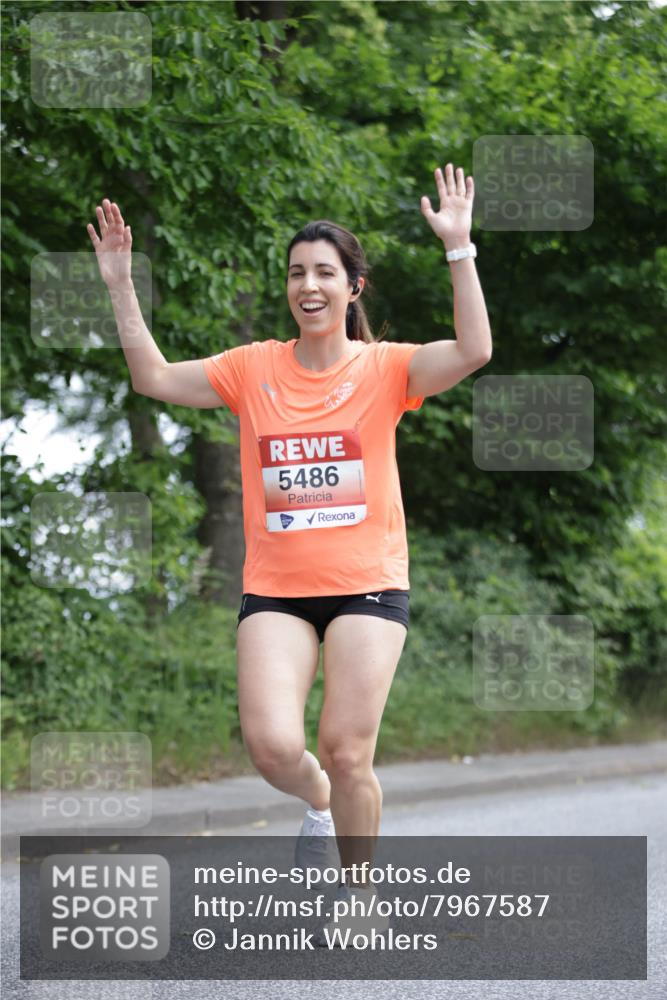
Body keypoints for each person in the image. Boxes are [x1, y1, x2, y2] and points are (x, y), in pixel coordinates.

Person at [87, 162, 492, 943]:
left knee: (346, 748)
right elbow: (153, 378)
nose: (308, 285)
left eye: (325, 273)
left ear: (353, 289)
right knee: (275, 747)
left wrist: (458, 248)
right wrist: (118, 282)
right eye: (296, 273)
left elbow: (473, 349)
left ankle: (360, 894)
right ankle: (316, 804)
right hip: (275, 588)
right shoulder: (252, 368)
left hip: (369, 586)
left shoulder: (385, 371)